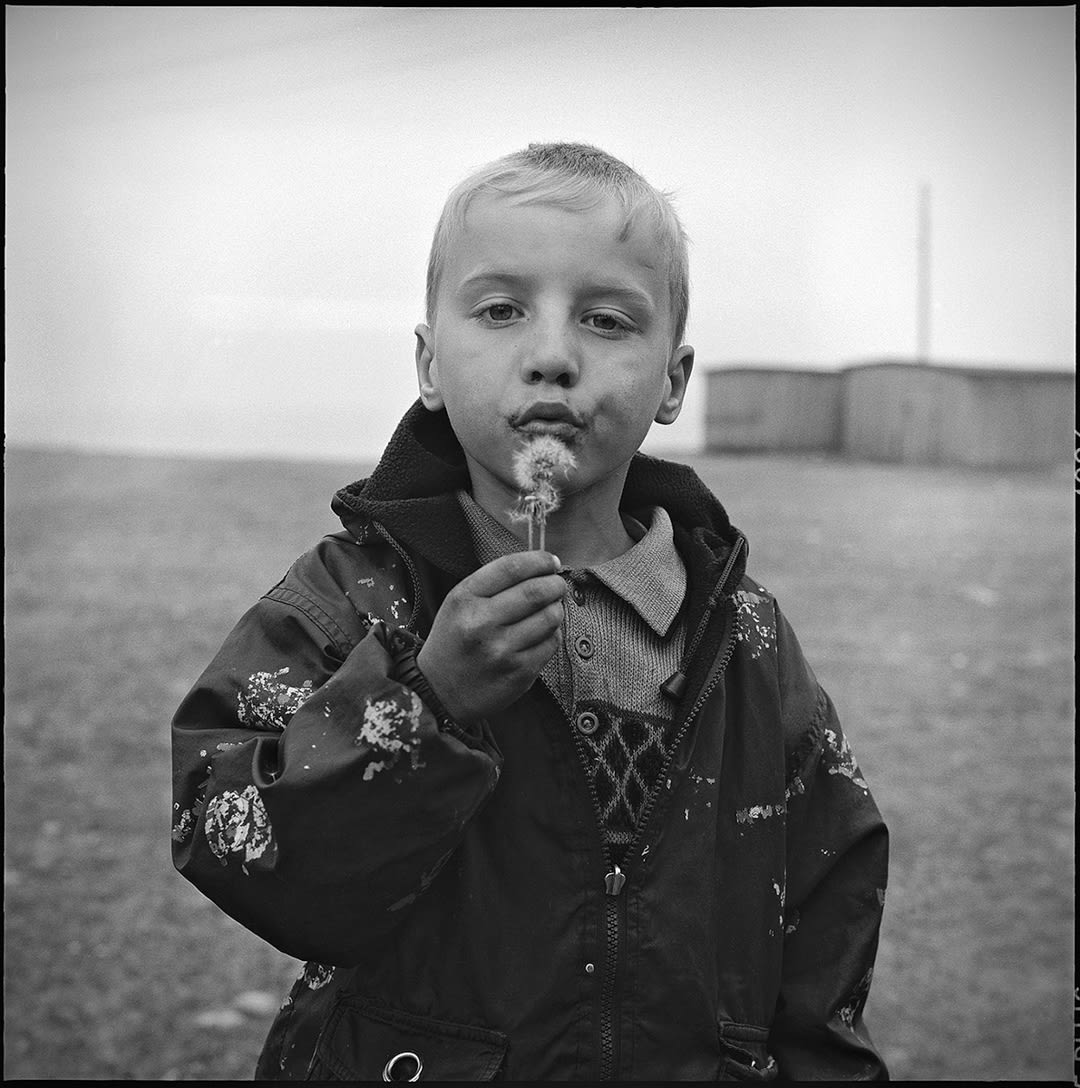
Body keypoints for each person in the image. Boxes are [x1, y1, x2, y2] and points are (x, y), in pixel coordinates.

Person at [171, 141, 889, 1081]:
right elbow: (232, 837)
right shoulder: (356, 600)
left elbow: (829, 897)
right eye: (502, 310)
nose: (552, 356)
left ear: (672, 382)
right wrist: (424, 704)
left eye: (605, 318)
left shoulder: (742, 633)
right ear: (428, 365)